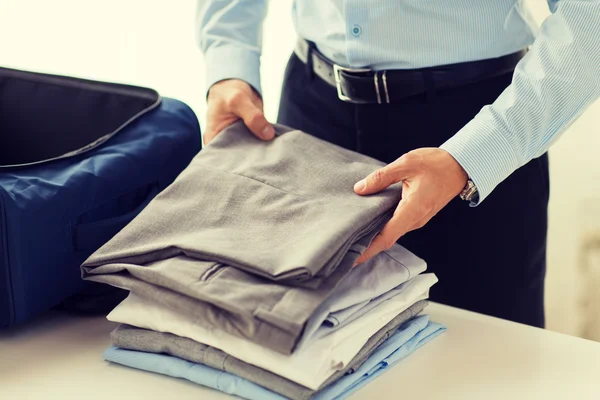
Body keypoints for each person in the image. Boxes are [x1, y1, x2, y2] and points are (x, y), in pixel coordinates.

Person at [196, 0, 600, 328]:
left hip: (474, 133)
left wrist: (473, 156)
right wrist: (229, 64)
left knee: (484, 366)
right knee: (300, 345)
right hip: (311, 114)